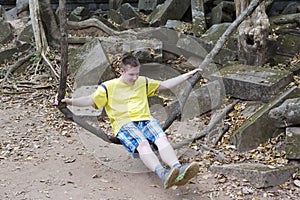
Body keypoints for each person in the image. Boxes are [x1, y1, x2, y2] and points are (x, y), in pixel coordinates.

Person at [61, 54, 200, 189]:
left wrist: (186, 76)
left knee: (161, 138)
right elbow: (90, 100)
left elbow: (163, 85)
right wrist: (70, 101)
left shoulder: (142, 81)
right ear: (122, 71)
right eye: (131, 74)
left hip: (145, 119)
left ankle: (177, 168)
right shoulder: (107, 87)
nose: (135, 78)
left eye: (137, 74)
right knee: (143, 144)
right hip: (124, 123)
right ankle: (163, 174)